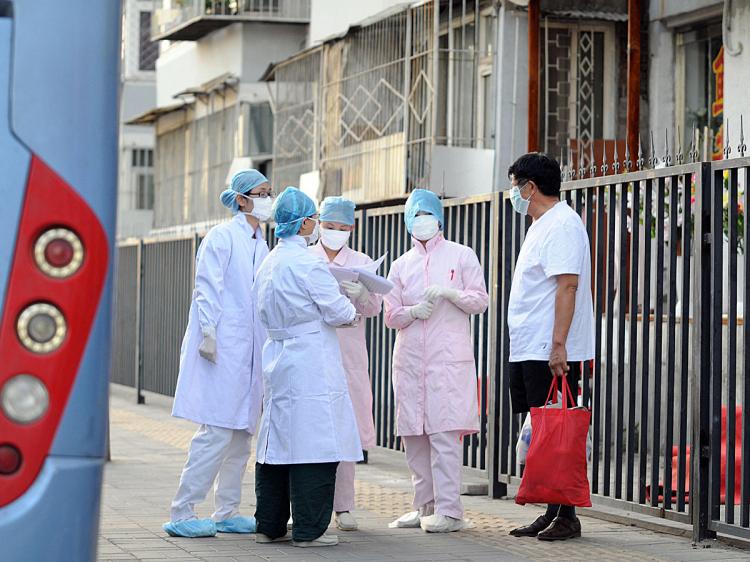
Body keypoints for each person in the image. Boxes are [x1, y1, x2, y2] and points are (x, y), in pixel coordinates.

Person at [163, 170, 273, 538]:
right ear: (241, 199)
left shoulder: (262, 243)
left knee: (242, 435)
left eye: (270, 193)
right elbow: (207, 286)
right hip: (222, 349)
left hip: (251, 352)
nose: (268, 199)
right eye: (261, 193)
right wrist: (207, 331)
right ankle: (182, 510)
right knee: (216, 432)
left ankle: (227, 511)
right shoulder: (222, 238)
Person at [253, 187, 363, 548]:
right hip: (311, 359)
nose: (316, 224)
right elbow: (337, 310)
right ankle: (309, 530)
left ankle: (269, 525)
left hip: (277, 355)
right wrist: (351, 304)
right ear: (303, 225)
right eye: (314, 218)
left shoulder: (269, 261)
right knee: (315, 442)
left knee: (276, 442)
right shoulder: (309, 263)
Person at [383, 189, 488, 534]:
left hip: (447, 362)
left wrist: (450, 294)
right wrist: (413, 312)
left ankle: (450, 511)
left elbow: (480, 300)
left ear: (440, 219)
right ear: (407, 221)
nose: (422, 220)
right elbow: (391, 316)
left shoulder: (461, 255)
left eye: (428, 214)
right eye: (416, 215)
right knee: (414, 437)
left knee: (444, 437)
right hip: (411, 361)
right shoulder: (401, 265)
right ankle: (423, 506)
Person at [505, 153, 594, 541]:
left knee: (554, 431)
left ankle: (567, 515)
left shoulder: (562, 224)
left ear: (530, 187)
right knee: (540, 429)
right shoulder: (539, 224)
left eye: (515, 185)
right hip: (528, 345)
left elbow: (567, 286)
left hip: (548, 348)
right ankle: (553, 509)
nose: (513, 193)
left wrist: (558, 345)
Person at [309, 196, 382, 532]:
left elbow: (375, 309)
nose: (335, 233)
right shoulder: (306, 258)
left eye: (342, 228)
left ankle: (344, 506)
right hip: (313, 352)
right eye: (329, 227)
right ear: (318, 224)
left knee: (346, 430)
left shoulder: (362, 262)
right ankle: (308, 503)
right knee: (312, 430)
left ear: (351, 228)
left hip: (349, 356)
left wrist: (363, 295)